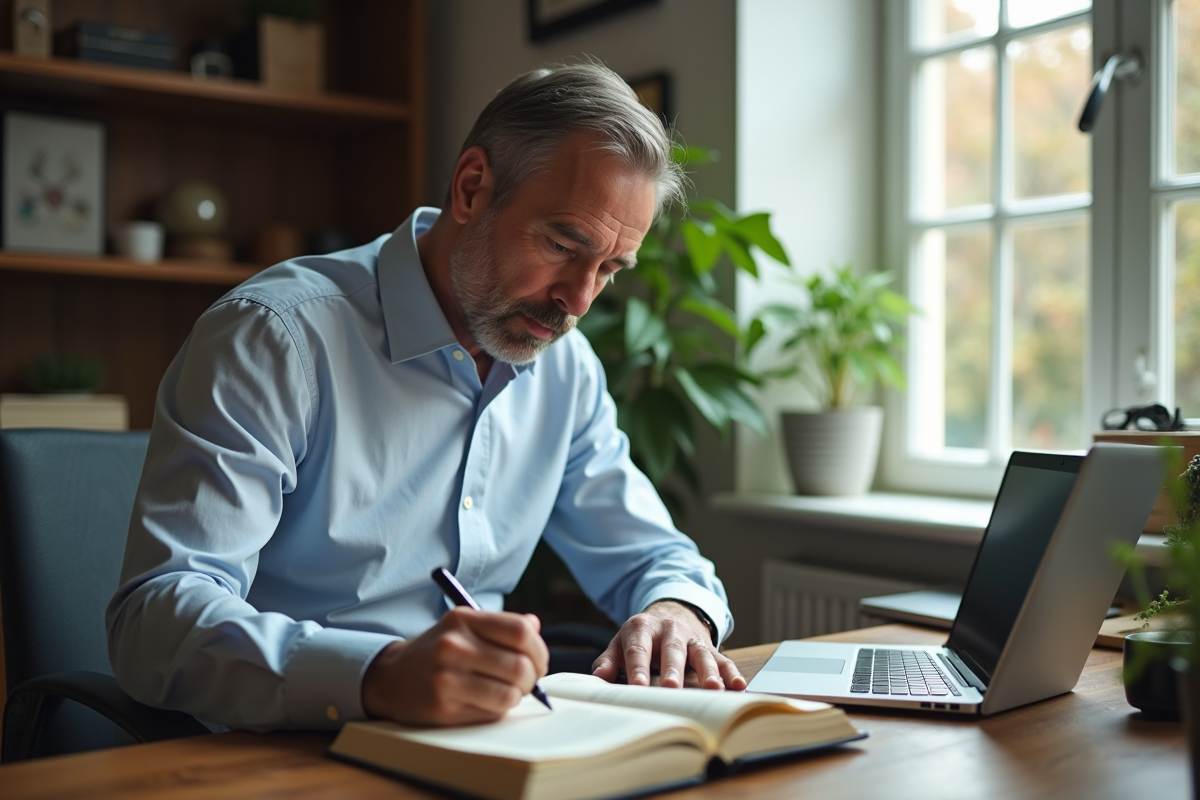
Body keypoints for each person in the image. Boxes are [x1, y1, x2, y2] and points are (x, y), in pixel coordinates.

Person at [106, 61, 744, 733]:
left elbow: (653, 554)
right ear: (471, 188)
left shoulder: (567, 369)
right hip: (282, 744)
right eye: (562, 245)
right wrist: (377, 675)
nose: (578, 301)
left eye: (609, 269)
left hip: (484, 740)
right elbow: (154, 621)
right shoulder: (275, 340)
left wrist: (678, 612)